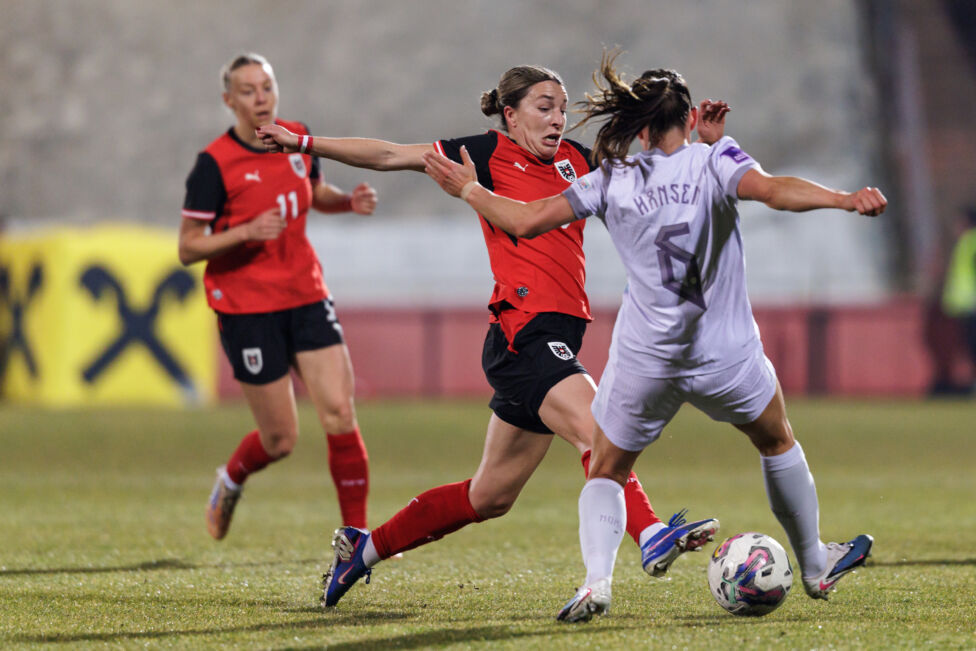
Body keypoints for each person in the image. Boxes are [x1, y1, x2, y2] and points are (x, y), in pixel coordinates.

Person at [423, 51, 885, 622]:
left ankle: (596, 584)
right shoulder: (716, 160)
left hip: (648, 361)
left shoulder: (613, 177)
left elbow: (523, 221)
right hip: (725, 356)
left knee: (606, 471)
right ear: (690, 120)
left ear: (637, 127)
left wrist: (470, 189)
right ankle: (814, 562)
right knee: (776, 441)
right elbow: (773, 191)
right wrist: (842, 198)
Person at [258, 65, 728, 608]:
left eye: (561, 107)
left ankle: (361, 552)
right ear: (511, 114)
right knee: (600, 430)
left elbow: (657, 180)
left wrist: (698, 145)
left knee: (489, 496)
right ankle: (651, 537)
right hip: (521, 335)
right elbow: (389, 154)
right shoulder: (481, 155)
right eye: (543, 106)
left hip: (556, 339)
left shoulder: (579, 161)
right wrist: (302, 142)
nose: (557, 118)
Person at [179, 53, 378, 542]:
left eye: (266, 86)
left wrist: (347, 202)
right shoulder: (214, 165)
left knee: (338, 411)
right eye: (247, 91)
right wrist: (245, 231)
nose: (260, 98)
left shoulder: (295, 138)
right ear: (229, 101)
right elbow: (187, 247)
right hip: (247, 309)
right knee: (280, 439)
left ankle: (356, 540)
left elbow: (314, 192)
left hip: (306, 293)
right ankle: (230, 478)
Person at [940, 206, 976, 390]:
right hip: (965, 307)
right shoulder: (966, 242)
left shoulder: (971, 242)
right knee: (969, 347)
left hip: (971, 305)